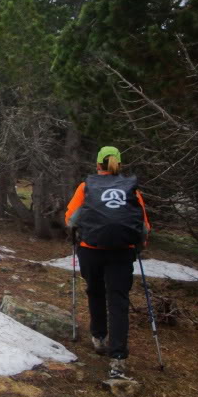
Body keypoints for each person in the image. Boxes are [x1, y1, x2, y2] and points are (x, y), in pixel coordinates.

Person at [65, 146, 151, 379]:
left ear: (98, 165)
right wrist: (139, 246)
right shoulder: (131, 188)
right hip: (122, 253)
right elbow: (143, 226)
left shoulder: (87, 187)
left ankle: (99, 337)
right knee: (119, 302)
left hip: (91, 250)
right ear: (119, 165)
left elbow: (71, 219)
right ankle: (118, 358)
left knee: (95, 292)